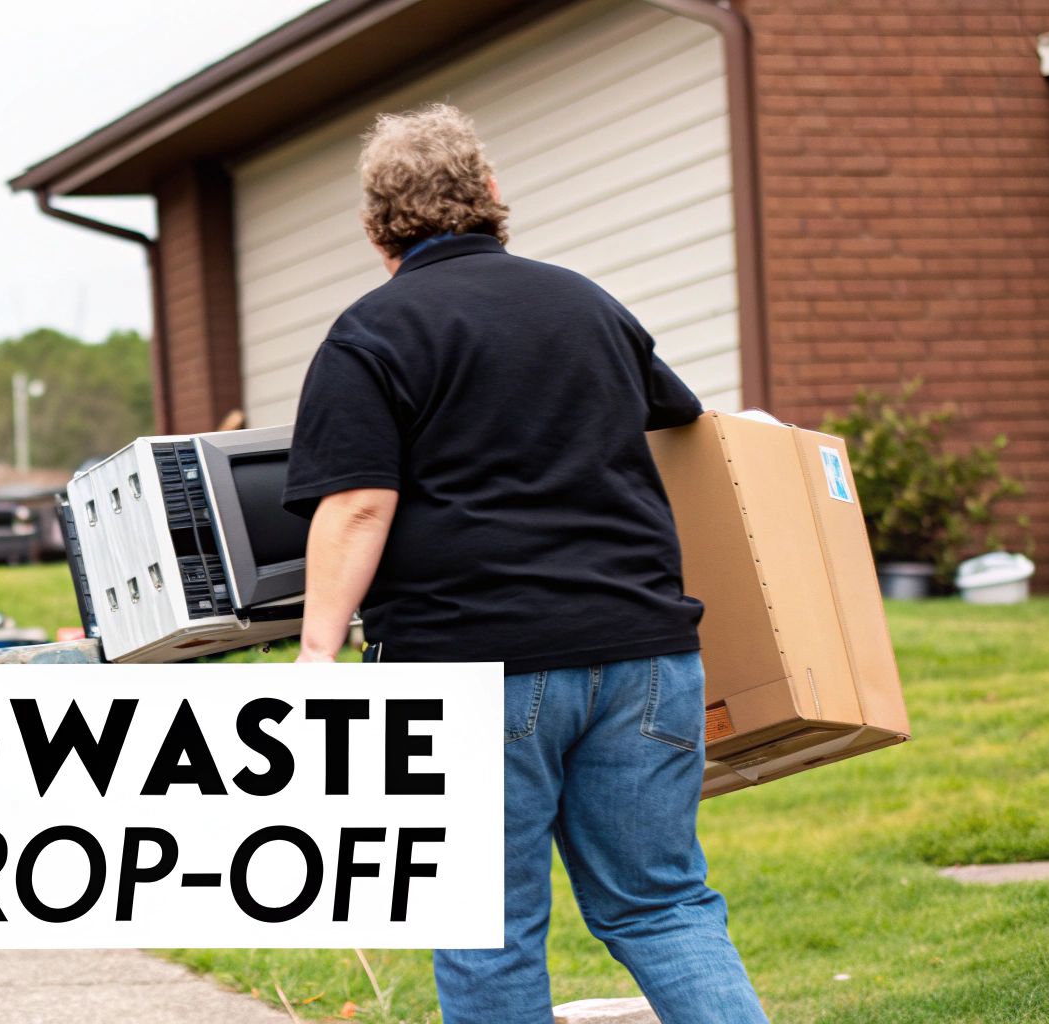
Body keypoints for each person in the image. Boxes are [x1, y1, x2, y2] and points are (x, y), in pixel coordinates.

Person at [283, 104, 769, 1023]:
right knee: (663, 906)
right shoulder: (586, 303)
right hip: (644, 658)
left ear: (373, 226)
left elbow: (356, 505)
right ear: (494, 196)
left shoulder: (370, 335)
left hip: (475, 668)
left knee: (489, 933)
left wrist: (317, 654)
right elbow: (680, 418)